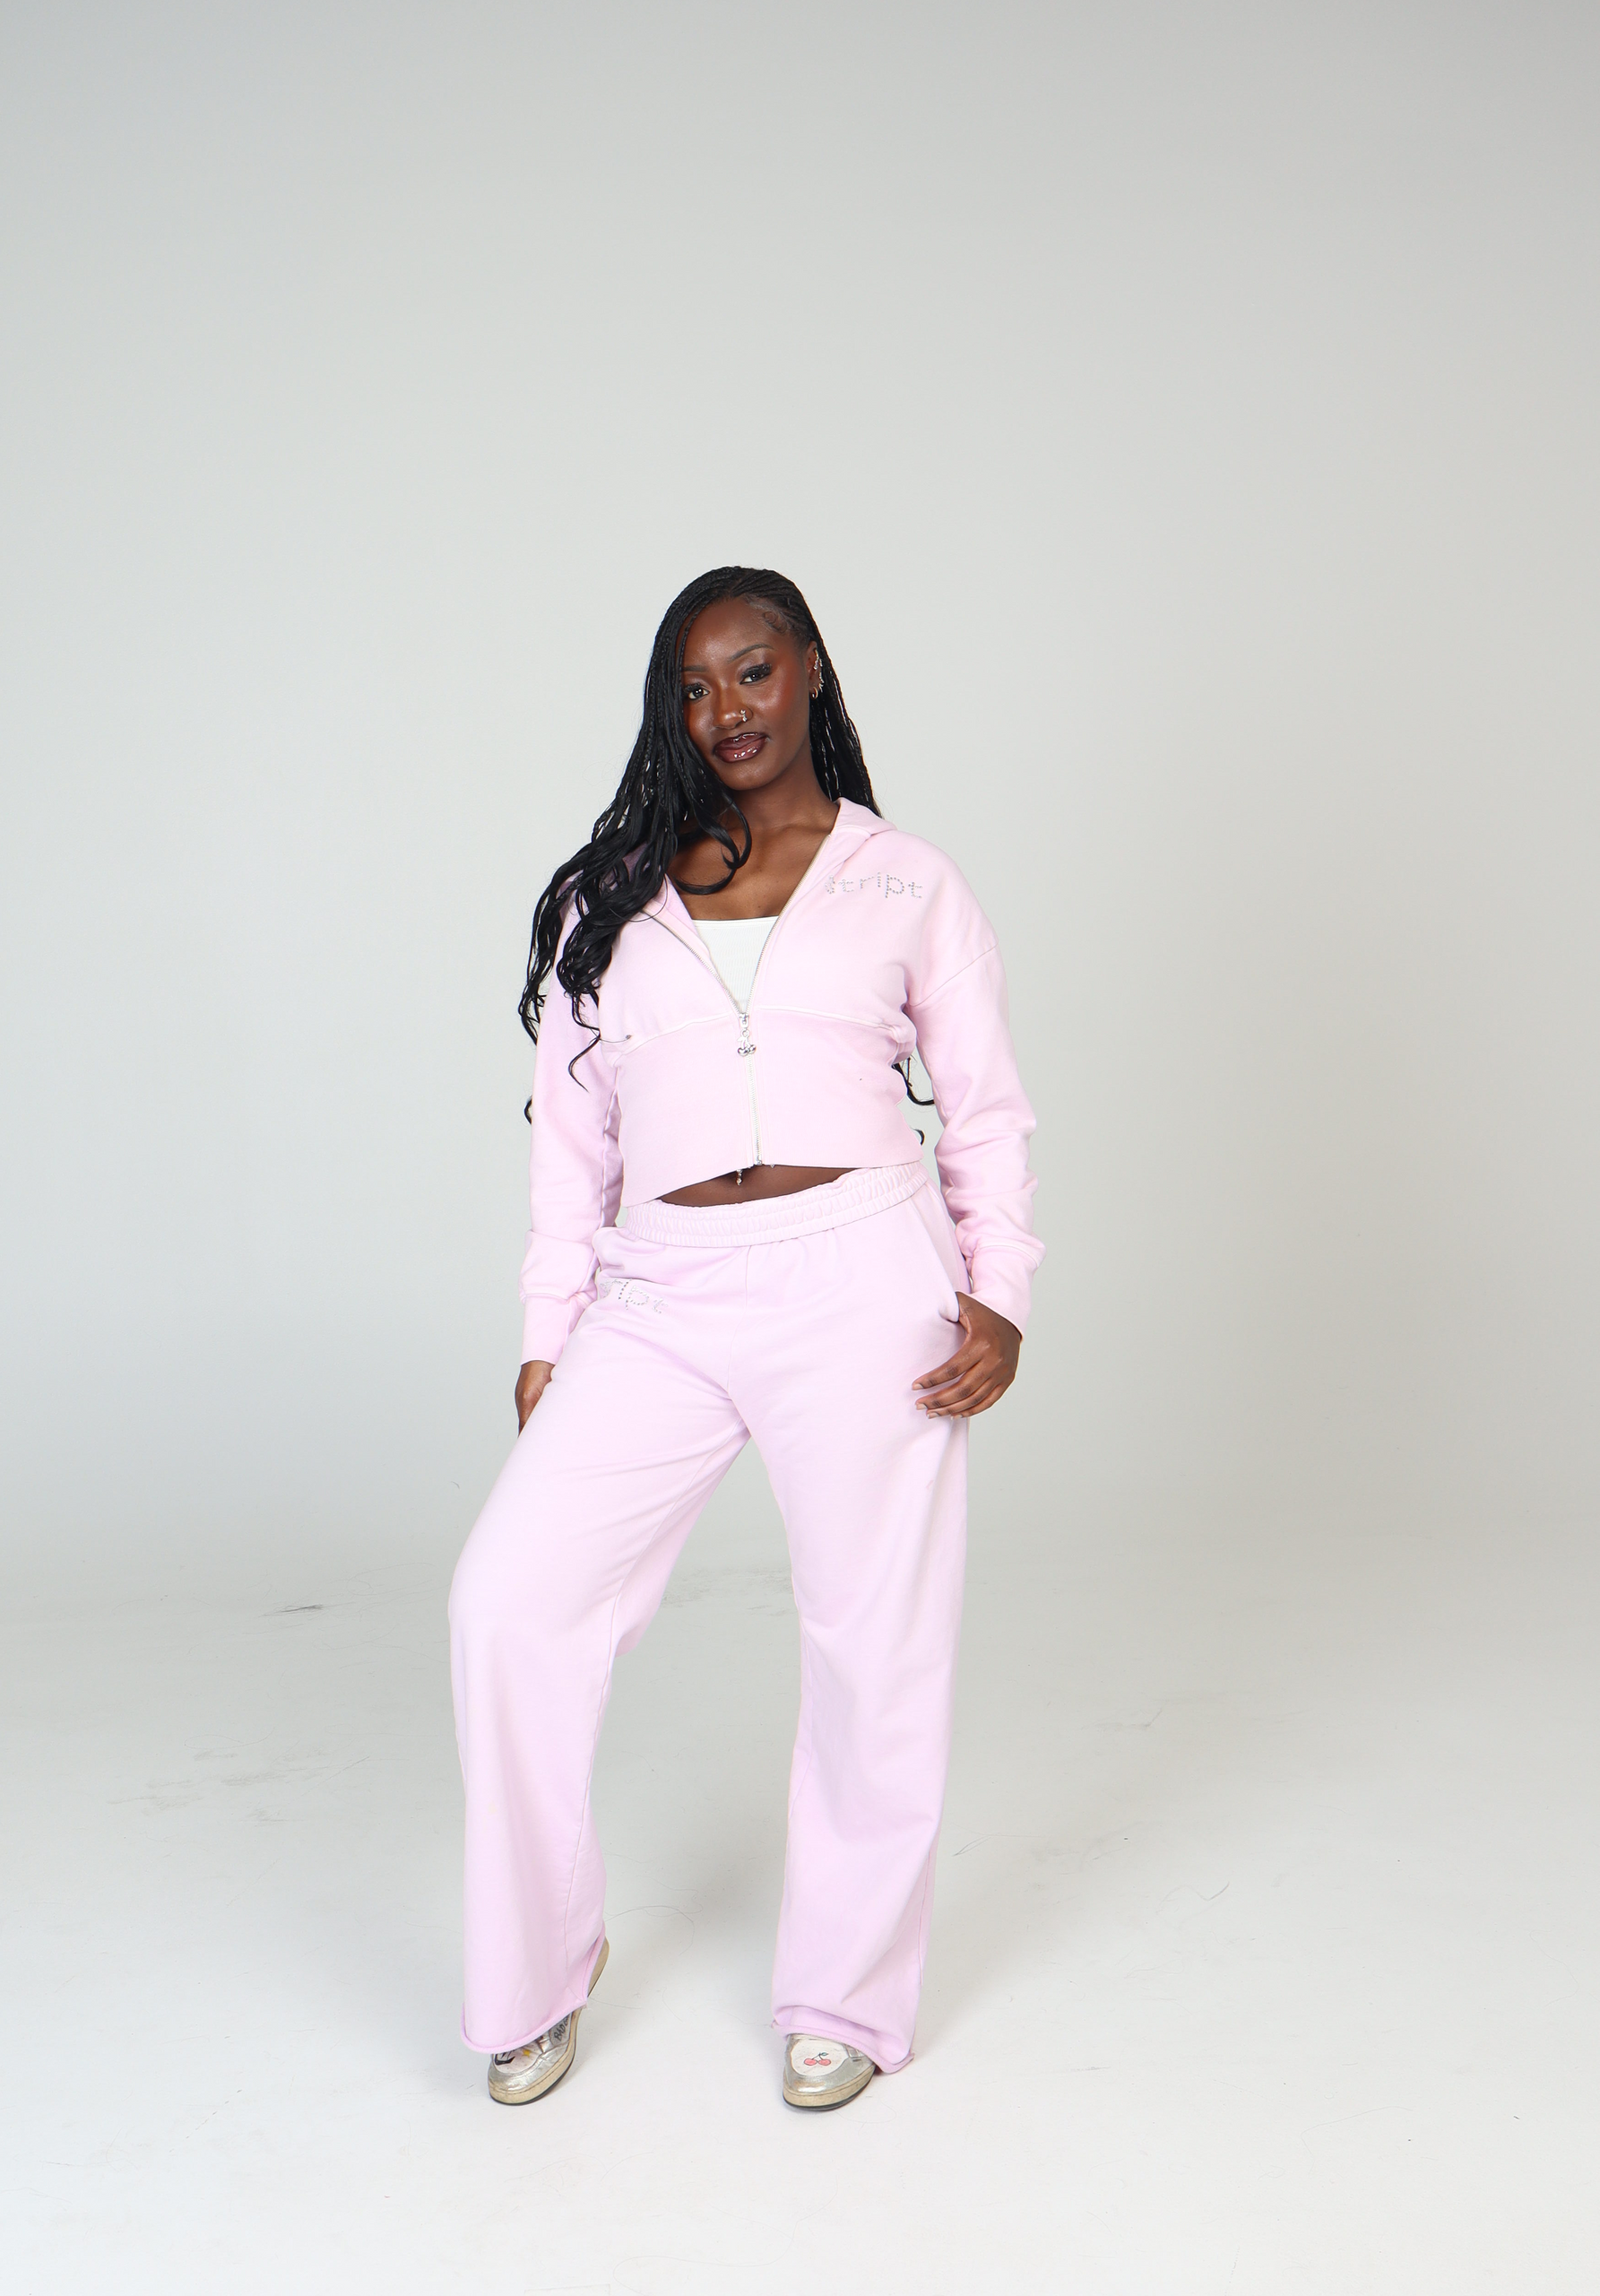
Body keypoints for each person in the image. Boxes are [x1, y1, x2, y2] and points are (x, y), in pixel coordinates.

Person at [448, 566, 1042, 2110]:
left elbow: (985, 1111)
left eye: (754, 671)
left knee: (874, 1643)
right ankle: (533, 1972)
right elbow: (570, 1146)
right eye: (697, 687)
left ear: (813, 670)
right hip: (659, 1291)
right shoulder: (606, 899)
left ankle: (845, 1991)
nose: (728, 710)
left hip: (864, 1277)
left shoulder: (907, 883)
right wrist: (547, 1329)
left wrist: (1001, 1292)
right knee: (509, 1602)